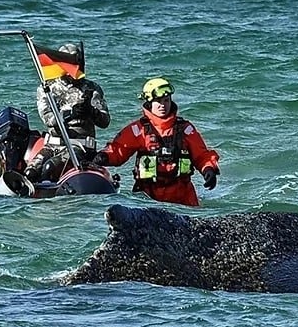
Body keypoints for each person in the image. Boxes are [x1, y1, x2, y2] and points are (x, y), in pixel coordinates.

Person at [90, 77, 220, 207]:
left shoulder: (186, 129)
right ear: (149, 103)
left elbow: (202, 155)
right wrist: (104, 156)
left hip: (183, 199)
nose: (163, 105)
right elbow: (119, 150)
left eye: (166, 100)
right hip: (147, 198)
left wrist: (208, 169)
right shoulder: (138, 130)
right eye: (158, 101)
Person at [25, 42, 111, 183]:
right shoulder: (47, 88)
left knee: (49, 168)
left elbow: (105, 121)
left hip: (80, 146)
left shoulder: (91, 88)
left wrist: (90, 111)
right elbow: (48, 118)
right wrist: (70, 114)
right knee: (31, 172)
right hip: (53, 145)